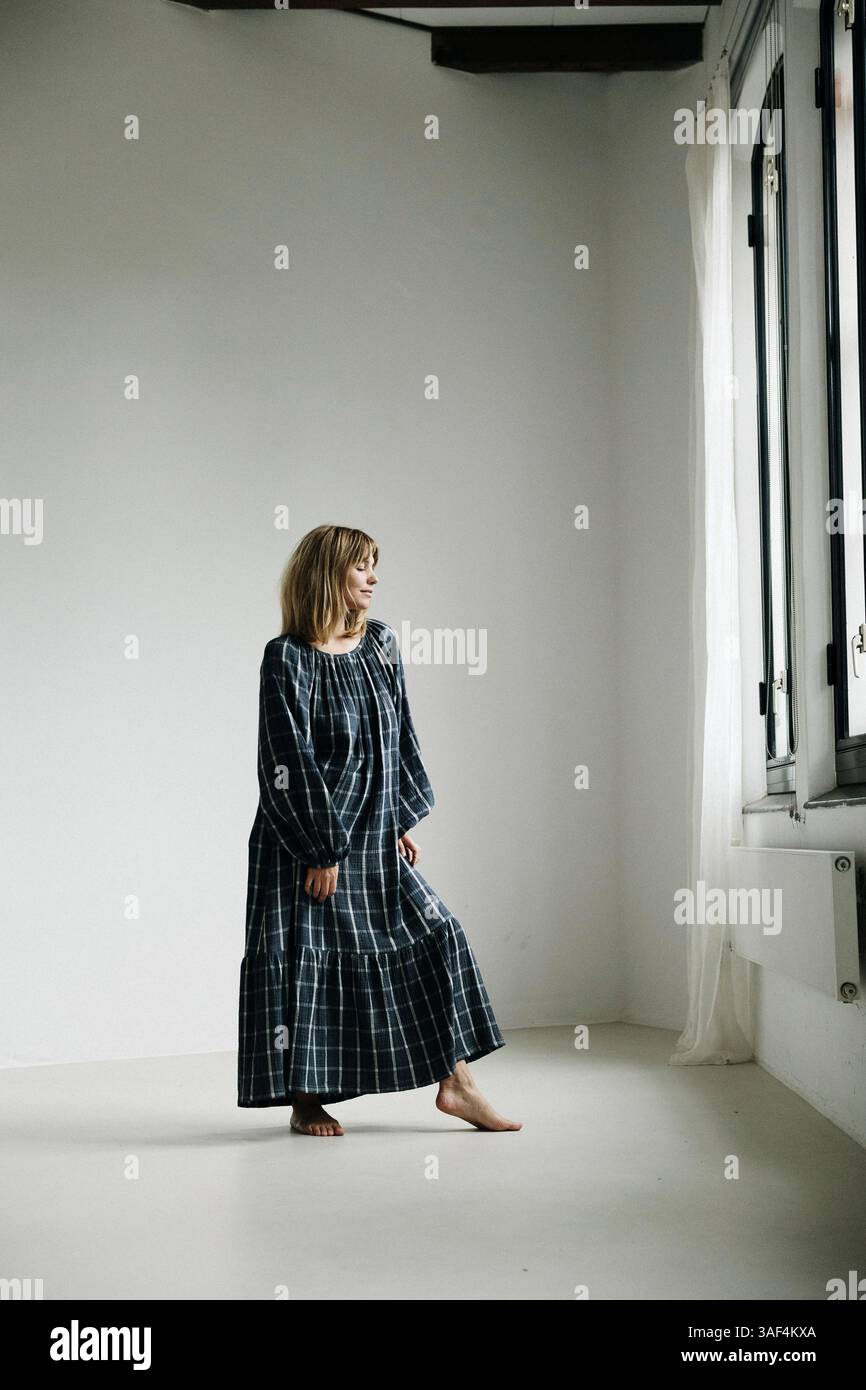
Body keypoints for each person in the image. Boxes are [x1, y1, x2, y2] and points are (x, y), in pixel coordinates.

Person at [237, 523, 520, 1136]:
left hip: (370, 833)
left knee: (436, 930)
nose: (374, 578)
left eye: (375, 566)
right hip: (302, 840)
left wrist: (392, 819)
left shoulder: (382, 644)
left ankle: (457, 1083)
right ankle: (306, 1101)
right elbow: (285, 759)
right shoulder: (286, 658)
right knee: (307, 962)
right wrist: (319, 847)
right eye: (362, 566)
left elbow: (395, 737)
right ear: (328, 574)